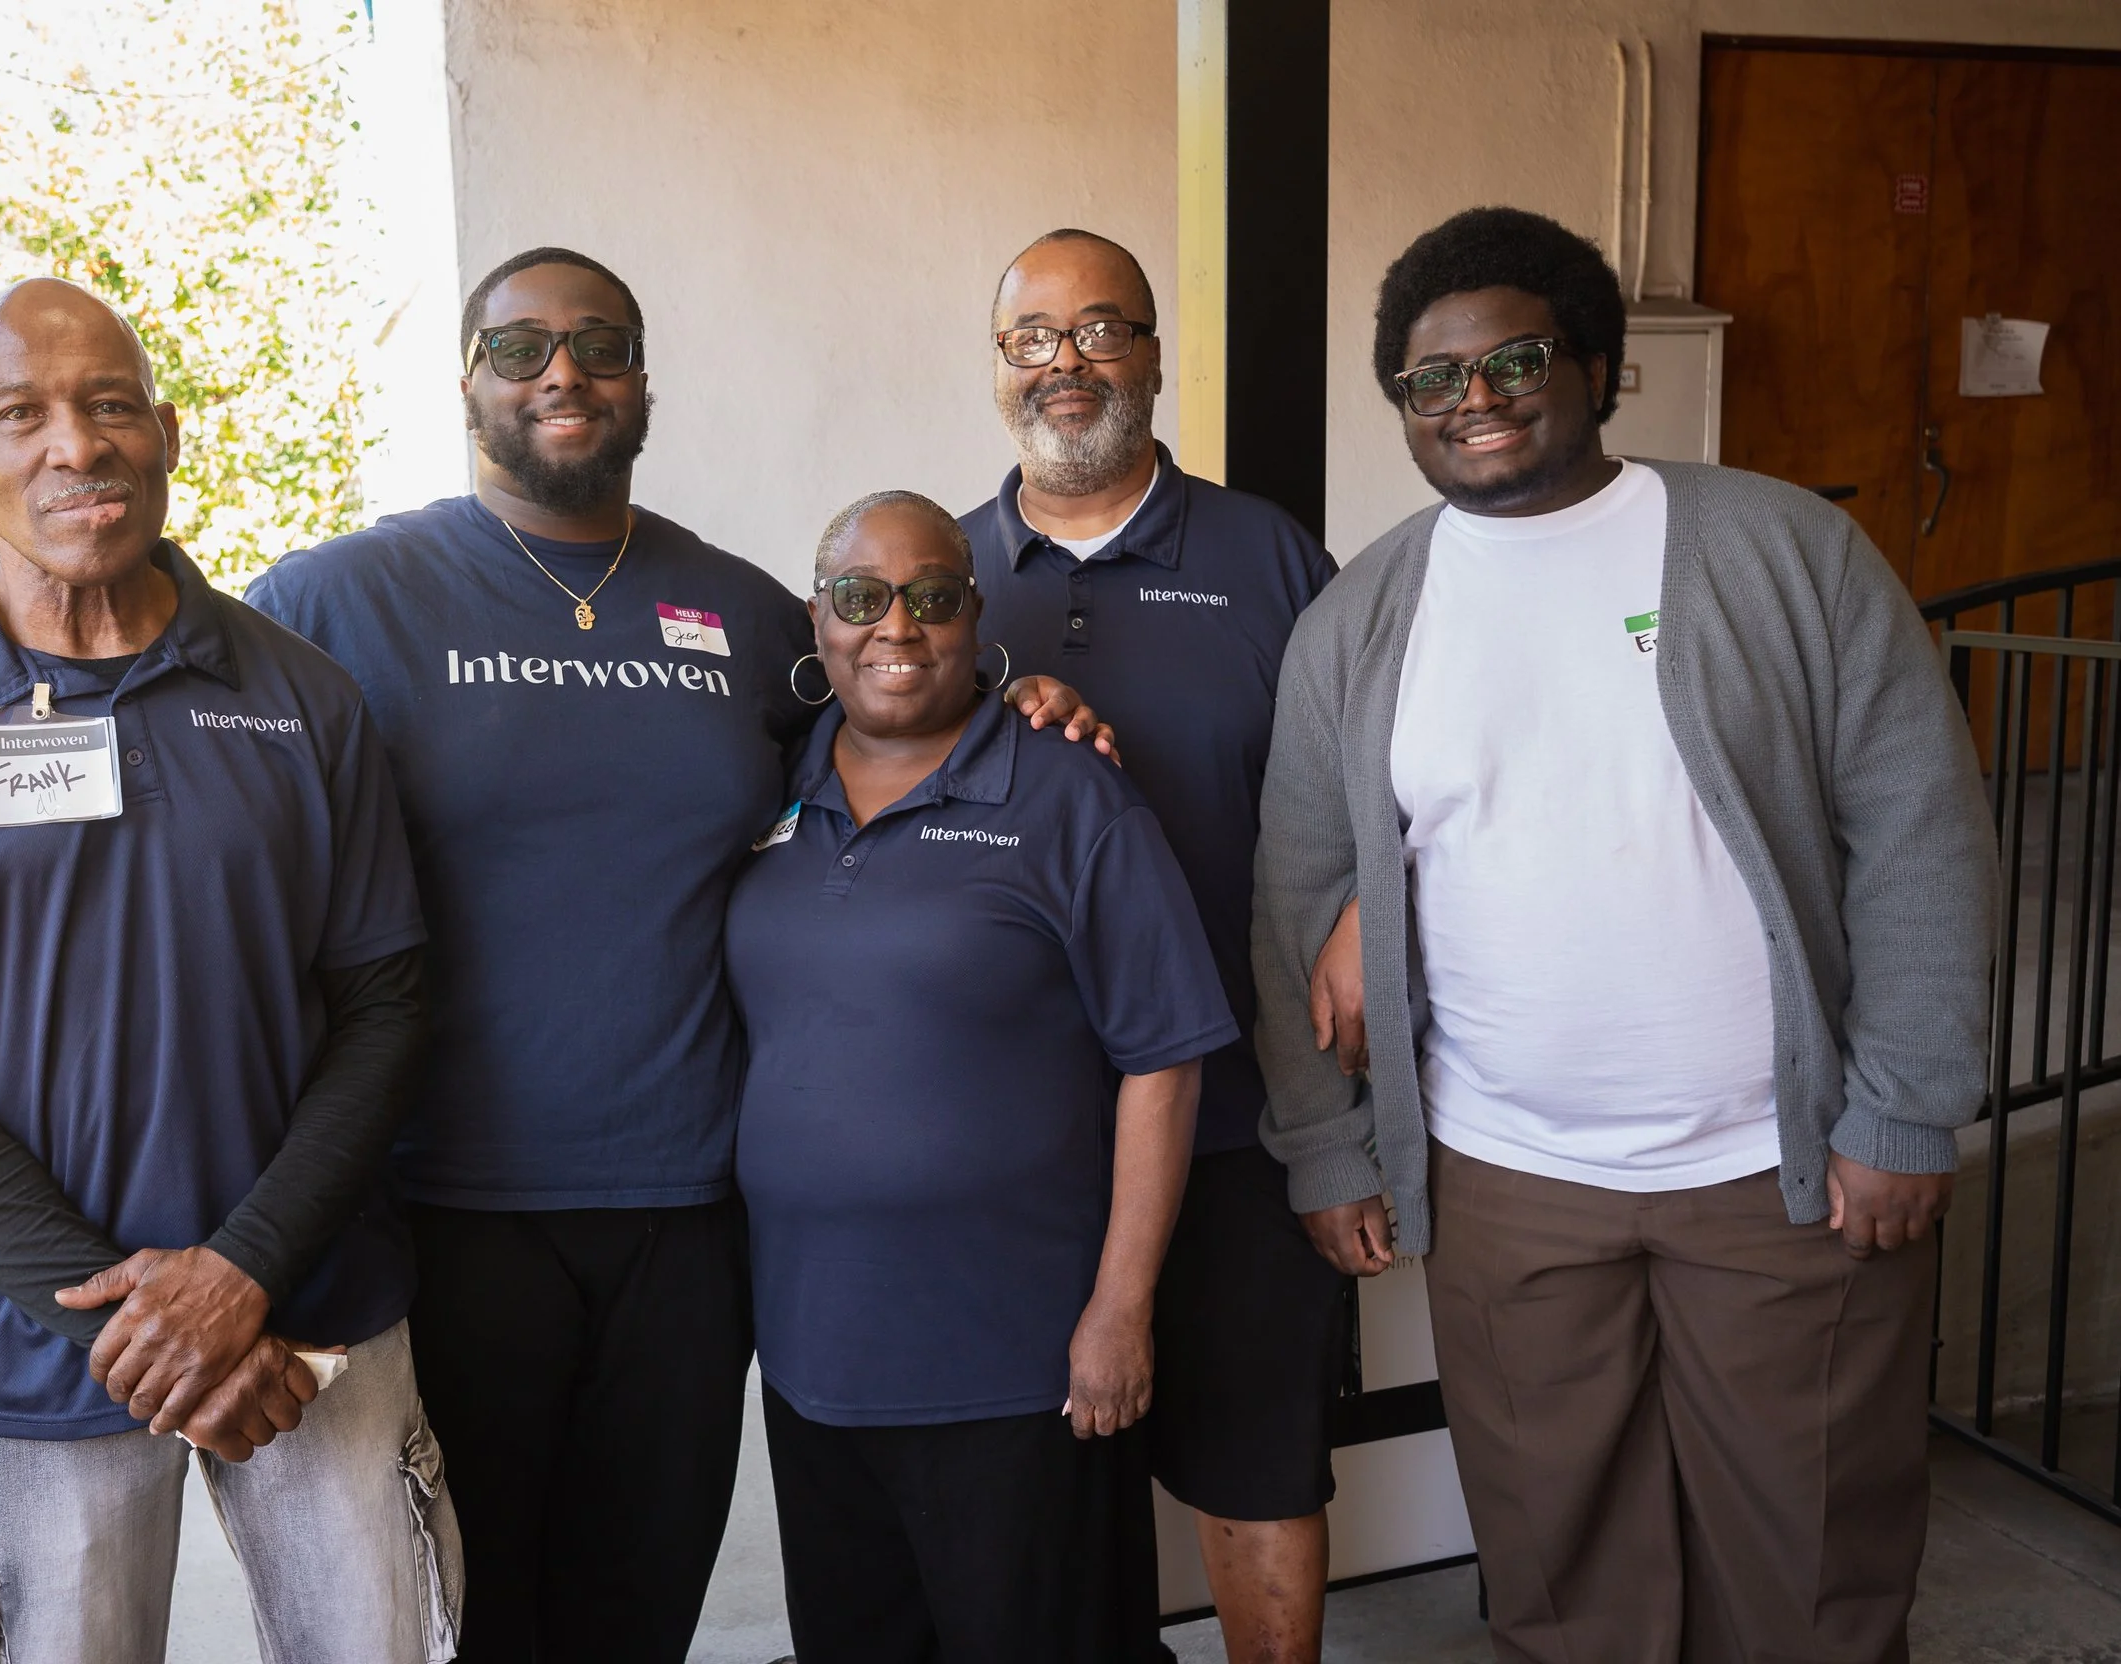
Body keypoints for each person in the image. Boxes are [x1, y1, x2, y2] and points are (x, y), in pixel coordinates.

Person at [0, 248, 1111, 1663]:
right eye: (521, 347)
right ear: (467, 383)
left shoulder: (741, 614)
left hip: (687, 1210)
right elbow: (106, 618)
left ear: (642, 382)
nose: (563, 372)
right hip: (444, 1213)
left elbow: (886, 715)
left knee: (631, 1607)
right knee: (466, 1617)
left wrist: (1018, 693)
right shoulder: (335, 604)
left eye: (601, 344)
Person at [1252, 206, 1996, 1662]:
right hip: (1508, 1183)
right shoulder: (1361, 619)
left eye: (1513, 359)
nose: (1474, 399)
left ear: (1596, 365)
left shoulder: (1786, 551)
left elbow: (1920, 831)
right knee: (1560, 1563)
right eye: (1431, 378)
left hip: (1777, 1177)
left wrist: (1904, 1111)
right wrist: (1327, 1144)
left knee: (1815, 1575)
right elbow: (1296, 891)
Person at [0, 277, 461, 1664]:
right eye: (19, 414)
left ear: (167, 432)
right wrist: (143, 1328)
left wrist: (243, 1277)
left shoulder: (300, 696)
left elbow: (384, 1010)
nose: (72, 447)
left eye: (107, 406)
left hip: (312, 1323)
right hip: (33, 1353)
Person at [727, 490, 1236, 1661]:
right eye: (860, 597)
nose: (894, 626)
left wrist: (1119, 1311)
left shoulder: (1071, 797)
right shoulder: (766, 788)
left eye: (934, 596)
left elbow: (1163, 1061)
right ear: (818, 621)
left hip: (1017, 1365)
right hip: (817, 1364)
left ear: (976, 615)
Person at [962, 228, 1343, 1663]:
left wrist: (1340, 1127)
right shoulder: (939, 586)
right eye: (1032, 336)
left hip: (1240, 1121)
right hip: (1018, 1144)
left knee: (1255, 1462)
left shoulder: (1270, 559)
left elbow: (1369, 813)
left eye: (1101, 328)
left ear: (1155, 358)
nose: (1067, 362)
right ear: (999, 366)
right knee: (1045, 1491)